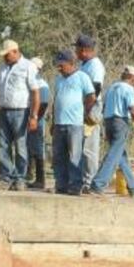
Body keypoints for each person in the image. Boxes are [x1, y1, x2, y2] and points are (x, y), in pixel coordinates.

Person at [90, 66, 134, 196]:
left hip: (108, 122)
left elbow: (104, 107)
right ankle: (98, 184)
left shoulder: (112, 88)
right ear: (132, 77)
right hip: (121, 122)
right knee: (114, 155)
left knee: (121, 156)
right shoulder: (129, 89)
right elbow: (133, 110)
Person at [0, 40, 42, 191]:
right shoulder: (3, 67)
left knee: (20, 146)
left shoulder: (28, 66)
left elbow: (35, 92)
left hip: (21, 111)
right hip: (4, 110)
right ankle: (5, 177)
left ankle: (20, 178)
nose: (5, 58)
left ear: (15, 51)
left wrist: (34, 116)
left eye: (7, 55)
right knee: (3, 145)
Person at [51, 50, 95, 195]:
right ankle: (61, 184)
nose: (59, 68)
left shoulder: (82, 77)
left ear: (70, 63)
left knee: (75, 156)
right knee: (58, 156)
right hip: (59, 123)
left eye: (61, 65)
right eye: (58, 65)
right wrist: (53, 121)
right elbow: (55, 100)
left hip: (75, 124)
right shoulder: (58, 80)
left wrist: (86, 112)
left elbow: (91, 96)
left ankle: (75, 186)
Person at [75, 35, 105, 193]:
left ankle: (90, 181)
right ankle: (82, 180)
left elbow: (96, 87)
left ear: (85, 50)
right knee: (81, 145)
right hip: (84, 106)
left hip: (91, 106)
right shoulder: (84, 64)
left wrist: (88, 110)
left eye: (78, 49)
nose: (76, 52)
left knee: (89, 147)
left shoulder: (95, 65)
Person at [26, 56, 50, 189]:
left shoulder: (42, 85)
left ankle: (40, 179)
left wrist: (34, 119)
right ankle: (27, 174)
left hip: (37, 123)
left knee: (37, 150)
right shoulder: (31, 82)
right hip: (31, 121)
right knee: (28, 148)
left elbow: (44, 104)